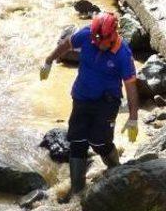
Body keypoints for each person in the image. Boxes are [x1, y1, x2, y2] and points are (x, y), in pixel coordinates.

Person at [40, 12, 139, 201]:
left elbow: (131, 86)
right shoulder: (87, 34)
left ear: (112, 37)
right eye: (95, 40)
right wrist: (48, 60)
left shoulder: (123, 54)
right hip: (82, 97)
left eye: (101, 41)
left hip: (107, 101)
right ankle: (78, 193)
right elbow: (67, 44)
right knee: (77, 143)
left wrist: (133, 117)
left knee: (99, 142)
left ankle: (115, 170)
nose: (97, 44)